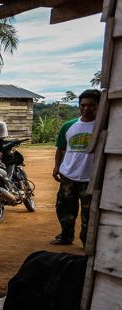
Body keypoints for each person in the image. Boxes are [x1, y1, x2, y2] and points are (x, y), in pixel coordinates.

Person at [51, 89, 100, 246]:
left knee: (89, 213)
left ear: (98, 105)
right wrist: (57, 167)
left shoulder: (103, 127)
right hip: (68, 176)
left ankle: (87, 241)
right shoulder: (69, 126)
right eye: (83, 105)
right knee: (64, 208)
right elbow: (61, 149)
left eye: (91, 105)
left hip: (91, 179)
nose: (86, 108)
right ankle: (66, 236)